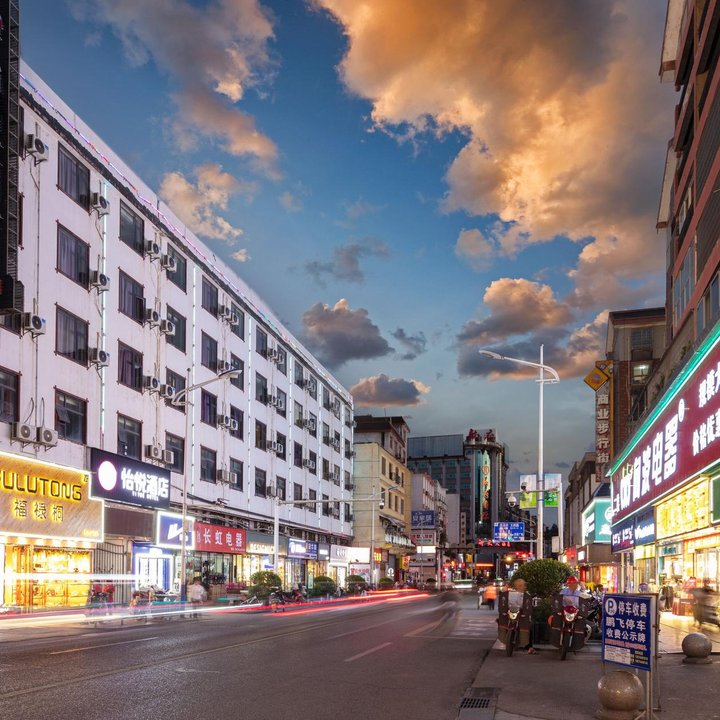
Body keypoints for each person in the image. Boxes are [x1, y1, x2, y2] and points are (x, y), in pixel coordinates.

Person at [509, 577, 537, 654]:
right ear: (516, 586)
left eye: (523, 585)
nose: (523, 587)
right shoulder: (512, 593)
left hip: (523, 614)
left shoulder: (527, 594)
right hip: (513, 613)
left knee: (529, 627)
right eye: (520, 585)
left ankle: (529, 647)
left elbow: (530, 603)